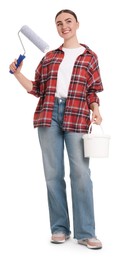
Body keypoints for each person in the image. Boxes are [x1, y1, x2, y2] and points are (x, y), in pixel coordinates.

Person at [9, 9, 103, 249]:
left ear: (77, 24)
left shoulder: (90, 56)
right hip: (48, 116)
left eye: (68, 21)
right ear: (57, 28)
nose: (64, 26)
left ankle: (86, 232)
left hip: (78, 116)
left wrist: (96, 109)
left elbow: (92, 90)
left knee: (81, 174)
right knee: (53, 175)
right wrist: (18, 74)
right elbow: (36, 88)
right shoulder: (50, 56)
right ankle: (59, 228)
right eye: (59, 23)